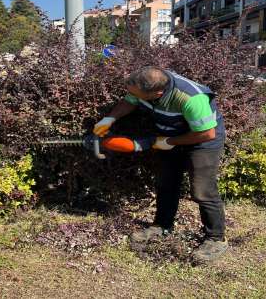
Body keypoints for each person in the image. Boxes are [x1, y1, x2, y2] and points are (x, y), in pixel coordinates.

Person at [93, 66, 228, 263]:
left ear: (157, 93)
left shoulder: (191, 99)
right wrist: (111, 117)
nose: (131, 96)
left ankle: (216, 239)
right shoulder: (145, 85)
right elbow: (129, 101)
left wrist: (169, 142)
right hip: (171, 135)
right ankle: (162, 226)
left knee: (202, 190)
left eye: (136, 94)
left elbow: (207, 133)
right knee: (166, 182)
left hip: (202, 140)